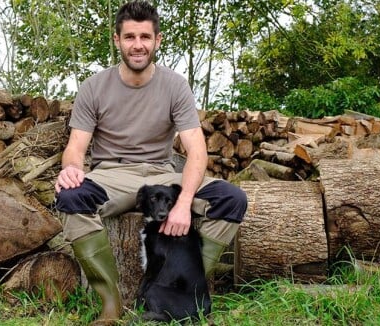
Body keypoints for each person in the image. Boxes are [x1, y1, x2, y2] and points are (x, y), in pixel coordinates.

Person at [54, 1, 247, 324]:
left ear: (158, 40)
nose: (138, 45)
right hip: (111, 177)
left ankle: (182, 292)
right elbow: (75, 148)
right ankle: (110, 303)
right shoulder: (94, 87)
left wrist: (184, 202)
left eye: (145, 36)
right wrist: (72, 168)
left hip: (161, 177)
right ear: (117, 40)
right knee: (70, 197)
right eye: (130, 37)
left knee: (232, 198)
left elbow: (197, 152)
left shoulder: (175, 86)